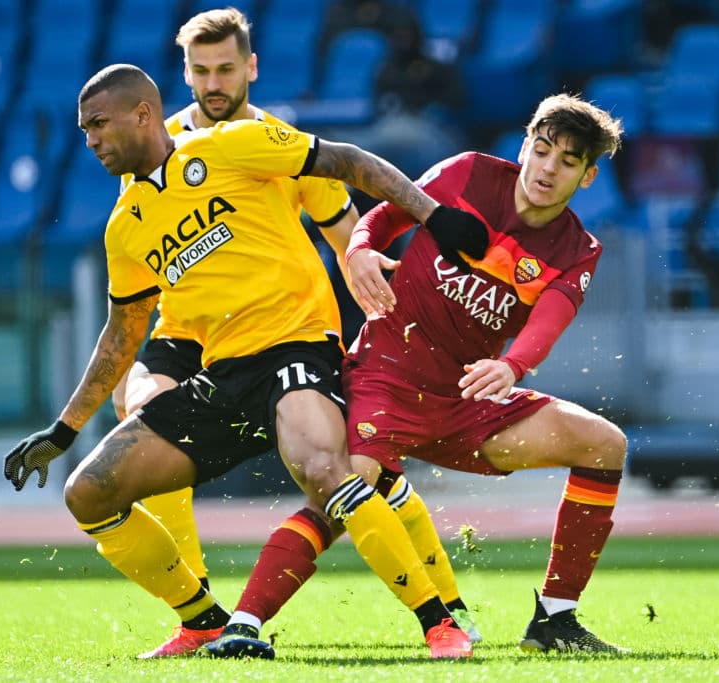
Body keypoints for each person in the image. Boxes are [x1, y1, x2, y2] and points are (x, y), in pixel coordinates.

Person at [3, 63, 488, 661]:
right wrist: (63, 430)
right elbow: (121, 335)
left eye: (99, 124)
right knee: (88, 492)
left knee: (324, 469)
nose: (91, 140)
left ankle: (440, 625)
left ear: (144, 114)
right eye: (85, 131)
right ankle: (204, 620)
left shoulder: (231, 144)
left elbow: (347, 160)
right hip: (222, 377)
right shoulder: (125, 226)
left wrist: (432, 215)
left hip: (297, 347)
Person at [208, 93, 631, 656]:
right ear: (525, 145)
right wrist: (359, 250)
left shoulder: (578, 249)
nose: (548, 168)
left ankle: (555, 619)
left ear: (587, 176)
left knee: (604, 444)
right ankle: (244, 624)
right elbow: (384, 217)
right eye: (542, 149)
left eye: (568, 161)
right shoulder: (468, 174)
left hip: (466, 397)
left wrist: (512, 365)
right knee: (347, 492)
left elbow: (548, 323)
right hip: (385, 377)